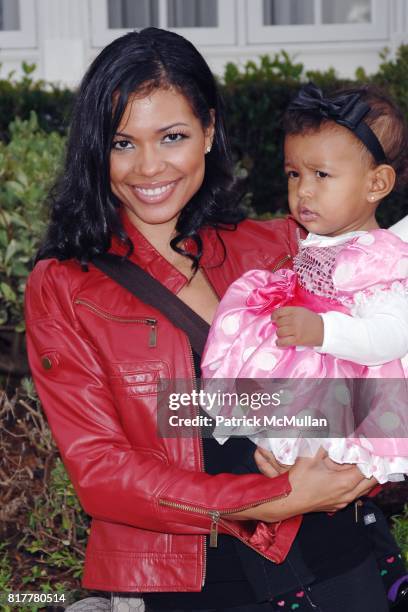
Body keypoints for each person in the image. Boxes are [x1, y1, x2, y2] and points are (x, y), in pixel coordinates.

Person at [24, 28, 397, 612]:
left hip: (338, 560)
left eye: (171, 137)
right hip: (193, 579)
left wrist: (353, 469)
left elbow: (382, 362)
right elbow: (103, 471)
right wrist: (271, 497)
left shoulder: (282, 245)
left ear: (209, 133)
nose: (148, 168)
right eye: (122, 143)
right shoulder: (67, 286)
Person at [201, 83, 408, 485]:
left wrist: (324, 330)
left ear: (376, 184)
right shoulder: (324, 239)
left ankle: (312, 468)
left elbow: (394, 332)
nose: (303, 190)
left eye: (321, 175)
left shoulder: (379, 258)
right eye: (294, 174)